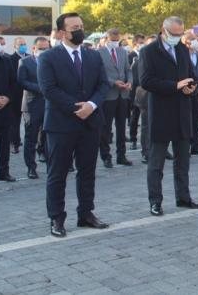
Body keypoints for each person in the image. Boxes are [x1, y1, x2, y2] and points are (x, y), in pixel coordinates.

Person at [38, 13, 110, 237]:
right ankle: (57, 219)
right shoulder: (49, 57)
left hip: (90, 122)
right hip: (61, 124)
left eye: (81, 26)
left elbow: (102, 84)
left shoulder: (93, 55)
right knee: (58, 174)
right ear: (62, 33)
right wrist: (76, 107)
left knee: (87, 172)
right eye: (74, 27)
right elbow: (49, 89)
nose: (80, 30)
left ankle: (86, 214)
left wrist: (91, 105)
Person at [139, 17, 198, 217]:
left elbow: (191, 74)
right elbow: (146, 81)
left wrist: (191, 86)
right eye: (174, 34)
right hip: (161, 111)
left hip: (183, 111)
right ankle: (155, 201)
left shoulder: (183, 50)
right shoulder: (148, 51)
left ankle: (183, 196)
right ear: (163, 31)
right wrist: (174, 86)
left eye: (180, 34)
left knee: (183, 160)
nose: (177, 38)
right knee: (156, 162)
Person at [96, 29, 133, 168]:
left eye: (117, 40)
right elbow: (98, 74)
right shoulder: (98, 53)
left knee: (122, 127)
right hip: (108, 95)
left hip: (122, 95)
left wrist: (130, 82)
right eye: (113, 40)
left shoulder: (122, 52)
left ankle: (121, 155)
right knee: (105, 128)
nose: (115, 42)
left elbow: (127, 70)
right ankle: (106, 156)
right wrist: (113, 82)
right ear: (106, 38)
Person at [18, 37, 50, 179]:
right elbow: (22, 81)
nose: (44, 51)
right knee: (31, 138)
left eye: (46, 48)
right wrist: (39, 88)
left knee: (48, 136)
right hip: (32, 105)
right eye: (41, 48)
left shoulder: (51, 61)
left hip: (49, 105)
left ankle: (51, 165)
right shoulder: (25, 62)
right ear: (34, 49)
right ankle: (31, 167)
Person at [0, 31, 18, 182]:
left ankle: (4, 172)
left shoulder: (5, 60)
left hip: (4, 109)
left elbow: (13, 82)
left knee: (4, 144)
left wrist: (7, 98)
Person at [132, 35, 157, 163]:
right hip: (145, 96)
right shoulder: (138, 60)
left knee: (160, 124)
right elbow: (137, 80)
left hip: (160, 96)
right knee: (146, 125)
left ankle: (162, 150)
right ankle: (146, 152)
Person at [9, 37, 28, 154]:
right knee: (15, 121)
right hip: (16, 95)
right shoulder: (10, 59)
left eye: (25, 44)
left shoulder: (30, 58)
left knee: (29, 122)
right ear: (15, 46)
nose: (23, 46)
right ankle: (14, 143)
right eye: (21, 44)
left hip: (28, 94)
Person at [128, 33, 146, 150]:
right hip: (136, 91)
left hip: (147, 92)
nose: (143, 45)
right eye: (141, 43)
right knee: (134, 117)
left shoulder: (147, 55)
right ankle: (133, 139)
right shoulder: (131, 56)